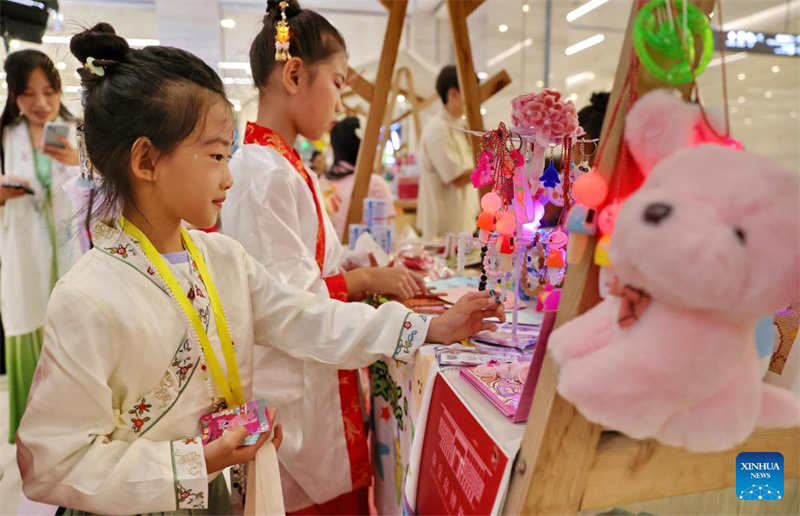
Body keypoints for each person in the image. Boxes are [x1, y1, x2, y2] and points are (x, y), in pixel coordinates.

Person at [15, 23, 503, 516]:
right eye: (215, 156)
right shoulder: (88, 296)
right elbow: (52, 462)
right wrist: (196, 461)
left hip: (220, 492)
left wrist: (425, 329)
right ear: (146, 160)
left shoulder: (223, 259)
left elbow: (308, 317)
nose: (228, 177)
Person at [222, 2, 439, 513]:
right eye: (338, 83)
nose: (341, 102)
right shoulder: (263, 174)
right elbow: (290, 307)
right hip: (293, 391)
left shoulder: (285, 164)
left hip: (314, 377)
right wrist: (368, 281)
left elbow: (320, 263)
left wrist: (365, 266)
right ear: (295, 74)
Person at [0, 49, 82, 443]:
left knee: (73, 333)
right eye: (28, 93)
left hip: (70, 252)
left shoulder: (76, 130)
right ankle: (32, 435)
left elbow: (101, 192)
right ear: (13, 94)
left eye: (49, 92)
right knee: (28, 323)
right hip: (24, 253)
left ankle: (72, 429)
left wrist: (79, 161)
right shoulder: (6, 137)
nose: (41, 103)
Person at [417, 65, 479, 240]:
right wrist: (491, 168)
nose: (475, 98)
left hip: (459, 226)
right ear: (453, 94)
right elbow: (456, 178)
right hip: (443, 232)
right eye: (471, 92)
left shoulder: (457, 126)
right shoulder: (439, 130)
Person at [319, 116, 395, 241]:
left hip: (325, 252)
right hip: (364, 253)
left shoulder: (321, 182)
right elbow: (387, 237)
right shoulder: (374, 184)